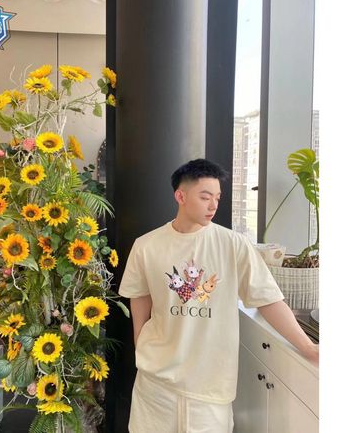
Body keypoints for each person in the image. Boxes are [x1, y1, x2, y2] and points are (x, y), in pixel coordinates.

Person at [118, 158, 319, 433]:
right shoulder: (147, 245)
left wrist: (307, 347)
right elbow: (139, 294)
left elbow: (268, 299)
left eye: (217, 197)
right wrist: (140, 340)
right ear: (181, 196)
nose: (213, 205)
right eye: (205, 197)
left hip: (209, 388)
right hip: (156, 384)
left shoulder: (233, 244)